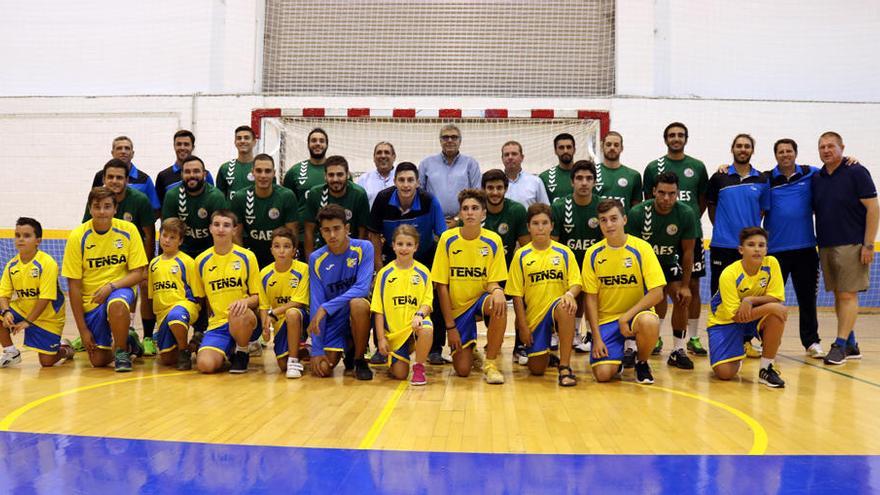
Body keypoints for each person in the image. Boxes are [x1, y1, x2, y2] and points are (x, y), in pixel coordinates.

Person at [367, 162, 447, 364]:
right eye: (401, 180)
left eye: (410, 180)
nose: (406, 184)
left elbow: (443, 237)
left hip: (424, 254)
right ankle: (381, 346)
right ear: (394, 181)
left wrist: (438, 272)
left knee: (434, 298)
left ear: (418, 182)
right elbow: (373, 234)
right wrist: (378, 269)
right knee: (382, 297)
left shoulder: (429, 201)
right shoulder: (383, 199)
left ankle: (435, 348)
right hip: (393, 254)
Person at [62, 187, 148, 372]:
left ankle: (122, 352)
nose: (102, 211)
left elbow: (138, 273)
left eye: (107, 206)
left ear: (115, 208)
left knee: (116, 303)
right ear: (90, 209)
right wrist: (83, 330)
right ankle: (129, 342)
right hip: (91, 301)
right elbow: (74, 287)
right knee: (98, 361)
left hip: (120, 288)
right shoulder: (78, 237)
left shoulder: (128, 230)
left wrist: (111, 286)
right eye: (97, 206)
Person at [642, 122, 709, 357]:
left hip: (690, 235)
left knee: (691, 287)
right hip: (661, 239)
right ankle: (656, 336)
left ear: (686, 138)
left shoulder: (698, 167)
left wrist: (685, 223)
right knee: (658, 287)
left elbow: (703, 199)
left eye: (680, 135)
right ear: (665, 139)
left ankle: (692, 338)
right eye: (672, 135)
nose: (676, 138)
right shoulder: (653, 167)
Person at [812, 131, 879, 366]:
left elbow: (873, 209)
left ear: (842, 147)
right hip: (826, 245)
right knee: (839, 296)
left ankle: (839, 345)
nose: (826, 150)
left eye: (831, 146)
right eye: (822, 147)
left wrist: (868, 244)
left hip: (852, 244)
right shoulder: (817, 177)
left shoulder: (856, 172)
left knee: (847, 295)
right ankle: (851, 343)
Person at [583, 199, 665, 384]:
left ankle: (641, 362)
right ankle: (617, 360)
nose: (609, 224)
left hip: (635, 317)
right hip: (606, 320)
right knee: (603, 375)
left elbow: (657, 292)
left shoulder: (641, 248)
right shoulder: (593, 253)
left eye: (614, 218)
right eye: (603, 220)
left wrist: (625, 317)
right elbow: (591, 300)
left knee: (649, 321)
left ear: (624, 220)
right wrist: (595, 337)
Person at [431, 189, 508, 384]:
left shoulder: (493, 240)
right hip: (457, 310)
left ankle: (490, 364)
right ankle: (470, 349)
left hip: (481, 301)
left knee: (499, 303)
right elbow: (441, 287)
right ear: (460, 213)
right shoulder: (448, 239)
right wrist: (450, 327)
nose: (470, 212)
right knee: (463, 371)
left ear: (483, 213)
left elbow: (493, 281)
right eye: (465, 208)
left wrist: (498, 290)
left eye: (475, 208)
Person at [84, 159, 157, 354]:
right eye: (110, 177)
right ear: (103, 179)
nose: (114, 181)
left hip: (131, 261)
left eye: (119, 177)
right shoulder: (94, 202)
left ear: (127, 180)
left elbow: (149, 234)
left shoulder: (139, 200)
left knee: (142, 284)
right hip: (105, 264)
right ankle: (100, 334)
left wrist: (146, 266)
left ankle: (143, 336)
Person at [707, 134, 770, 358]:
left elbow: (762, 211)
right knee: (720, 293)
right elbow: (712, 209)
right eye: (739, 146)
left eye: (747, 146)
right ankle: (721, 337)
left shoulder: (762, 180)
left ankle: (745, 340)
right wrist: (725, 229)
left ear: (752, 150)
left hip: (750, 248)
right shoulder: (719, 178)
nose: (742, 149)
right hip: (722, 246)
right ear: (732, 148)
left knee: (748, 294)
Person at [626, 172, 697, 369]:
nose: (667, 198)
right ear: (654, 192)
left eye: (672, 194)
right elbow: (631, 250)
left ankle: (678, 350)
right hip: (643, 266)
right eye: (662, 193)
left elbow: (688, 251)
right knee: (636, 299)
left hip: (668, 263)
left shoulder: (686, 213)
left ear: (677, 193)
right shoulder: (638, 213)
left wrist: (685, 285)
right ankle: (631, 348)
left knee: (682, 298)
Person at [506, 203, 582, 386]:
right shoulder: (521, 255)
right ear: (528, 227)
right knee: (537, 370)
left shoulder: (564, 252)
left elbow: (576, 283)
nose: (540, 227)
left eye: (544, 222)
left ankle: (565, 366)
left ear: (552, 226)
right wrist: (522, 326)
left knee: (566, 307)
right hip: (535, 317)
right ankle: (547, 353)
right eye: (535, 223)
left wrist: (570, 294)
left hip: (558, 308)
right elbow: (516, 295)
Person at [762, 139, 823, 358]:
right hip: (775, 252)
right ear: (776, 155)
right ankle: (762, 341)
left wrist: (848, 161)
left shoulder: (810, 174)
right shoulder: (766, 179)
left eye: (789, 151)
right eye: (781, 152)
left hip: (806, 250)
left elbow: (833, 170)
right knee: (769, 299)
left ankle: (811, 342)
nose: (785, 155)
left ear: (795, 153)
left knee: (807, 299)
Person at [706, 227, 787, 388]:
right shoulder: (729, 274)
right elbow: (736, 316)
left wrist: (749, 300)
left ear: (766, 249)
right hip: (725, 321)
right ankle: (738, 349)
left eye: (761, 245)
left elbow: (776, 296)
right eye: (751, 245)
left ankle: (766, 368)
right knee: (725, 374)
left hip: (752, 316)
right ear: (741, 250)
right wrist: (770, 307)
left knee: (777, 314)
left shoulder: (771, 264)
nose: (757, 249)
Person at [308, 204, 374, 380]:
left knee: (358, 303)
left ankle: (359, 359)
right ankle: (348, 346)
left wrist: (326, 307)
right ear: (321, 232)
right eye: (326, 230)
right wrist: (317, 349)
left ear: (347, 228)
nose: (332, 235)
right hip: (334, 318)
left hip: (356, 313)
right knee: (323, 369)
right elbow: (316, 303)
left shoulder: (364, 248)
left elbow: (362, 288)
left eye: (336, 229)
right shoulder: (316, 259)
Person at [192, 210, 261, 374]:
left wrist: (244, 302)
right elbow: (202, 300)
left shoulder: (247, 257)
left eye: (226, 225)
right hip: (218, 324)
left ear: (235, 230)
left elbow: (257, 297)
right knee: (205, 365)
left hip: (245, 319)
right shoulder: (200, 261)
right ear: (210, 228)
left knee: (237, 312)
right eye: (216, 225)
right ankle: (228, 350)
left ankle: (242, 352)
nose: (221, 229)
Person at [0, 217, 72, 368]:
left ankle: (65, 349)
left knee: (46, 363)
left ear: (38, 240)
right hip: (23, 309)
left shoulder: (47, 263)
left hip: (49, 317)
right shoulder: (11, 265)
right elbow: (4, 294)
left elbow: (45, 298)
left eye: (26, 236)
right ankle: (10, 352)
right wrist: (6, 312)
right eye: (17, 235)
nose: (21, 239)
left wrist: (27, 322)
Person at [371, 225, 434, 385]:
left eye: (408, 244)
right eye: (400, 244)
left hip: (415, 327)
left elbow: (427, 303)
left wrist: (419, 315)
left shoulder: (423, 272)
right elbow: (378, 310)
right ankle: (395, 355)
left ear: (416, 247)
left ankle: (419, 367)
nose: (404, 248)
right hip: (395, 334)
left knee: (427, 329)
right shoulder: (384, 274)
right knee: (399, 375)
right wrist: (380, 339)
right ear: (393, 245)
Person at [550, 160, 601, 354]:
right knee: (566, 297)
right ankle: (558, 331)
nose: (584, 183)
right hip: (567, 265)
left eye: (589, 178)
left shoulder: (600, 205)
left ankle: (580, 334)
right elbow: (554, 243)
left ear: (594, 182)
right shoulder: (560, 206)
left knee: (589, 297)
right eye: (579, 178)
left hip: (593, 265)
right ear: (572, 182)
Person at [147, 218, 201, 370]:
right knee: (168, 360)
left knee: (175, 317)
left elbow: (198, 294)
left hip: (183, 306)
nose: (167, 240)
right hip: (162, 315)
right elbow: (152, 296)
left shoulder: (187, 262)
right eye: (164, 235)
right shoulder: (154, 264)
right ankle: (193, 344)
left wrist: (198, 317)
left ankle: (183, 351)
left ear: (180, 241)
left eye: (172, 237)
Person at [258, 227, 310, 379]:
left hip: (302, 318)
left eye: (286, 246)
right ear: (271, 250)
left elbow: (298, 302)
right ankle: (303, 351)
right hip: (280, 322)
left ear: (294, 251)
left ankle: (294, 361)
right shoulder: (265, 274)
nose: (281, 251)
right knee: (281, 365)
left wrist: (273, 313)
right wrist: (265, 328)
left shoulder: (303, 269)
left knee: (292, 313)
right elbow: (264, 305)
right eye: (277, 246)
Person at [230, 154, 299, 267]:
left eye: (267, 171)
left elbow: (292, 233)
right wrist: (245, 260)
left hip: (279, 255)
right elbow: (236, 235)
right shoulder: (240, 197)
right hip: (252, 255)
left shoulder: (287, 196)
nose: (263, 175)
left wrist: (287, 260)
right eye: (259, 171)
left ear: (274, 173)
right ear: (253, 172)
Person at [160, 155, 229, 259]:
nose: (192, 175)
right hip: (180, 254)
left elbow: (222, 232)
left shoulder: (216, 197)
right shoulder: (172, 196)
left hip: (210, 253)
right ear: (182, 175)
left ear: (204, 174)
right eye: (187, 172)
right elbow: (168, 231)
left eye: (196, 171)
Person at [301, 155, 370, 258]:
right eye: (331, 175)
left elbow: (363, 233)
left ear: (347, 175)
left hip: (351, 253)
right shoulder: (315, 194)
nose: (335, 179)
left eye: (340, 174)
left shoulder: (358, 194)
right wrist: (310, 262)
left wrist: (358, 258)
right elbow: (309, 231)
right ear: (325, 176)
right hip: (324, 251)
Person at [418, 124, 481, 228]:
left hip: (463, 223)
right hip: (432, 224)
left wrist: (458, 219)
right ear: (440, 141)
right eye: (445, 137)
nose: (450, 140)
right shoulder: (426, 164)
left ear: (460, 141)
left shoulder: (471, 164)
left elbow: (477, 196)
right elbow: (420, 195)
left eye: (454, 137)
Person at [90, 136, 161, 212]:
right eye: (119, 148)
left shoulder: (145, 179)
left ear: (132, 153)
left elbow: (155, 209)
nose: (123, 151)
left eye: (127, 148)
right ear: (112, 153)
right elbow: (94, 202)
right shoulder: (100, 176)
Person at [155, 130, 216, 206]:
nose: (182, 148)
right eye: (179, 144)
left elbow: (212, 200)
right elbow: (160, 207)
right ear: (174, 146)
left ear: (193, 147)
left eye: (186, 144)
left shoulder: (205, 175)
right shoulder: (163, 176)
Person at [282, 128, 330, 209]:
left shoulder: (337, 171)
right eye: (314, 140)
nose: (318, 143)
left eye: (322, 141)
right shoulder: (294, 171)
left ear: (327, 145)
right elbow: (286, 202)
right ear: (308, 144)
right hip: (303, 221)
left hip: (331, 220)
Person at [595, 131, 642, 207]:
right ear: (602, 147)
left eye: (616, 145)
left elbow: (636, 208)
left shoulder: (634, 175)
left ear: (622, 148)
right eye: (608, 144)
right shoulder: (592, 173)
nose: (612, 148)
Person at [501, 141, 549, 207]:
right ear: (502, 159)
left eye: (514, 154)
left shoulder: (536, 182)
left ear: (522, 157)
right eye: (506, 154)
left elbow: (545, 209)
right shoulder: (496, 184)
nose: (510, 157)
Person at [216, 125, 257, 199]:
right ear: (235, 142)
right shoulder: (225, 168)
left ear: (254, 142)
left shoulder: (262, 169)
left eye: (246, 138)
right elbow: (220, 198)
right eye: (239, 138)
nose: (242, 141)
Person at [539, 133, 577, 203]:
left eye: (569, 147)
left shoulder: (585, 176)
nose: (565, 151)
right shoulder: (544, 177)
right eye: (561, 147)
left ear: (574, 150)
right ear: (555, 151)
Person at [357, 141, 397, 207]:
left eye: (387, 152)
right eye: (379, 153)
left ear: (394, 157)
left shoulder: (402, 179)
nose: (383, 156)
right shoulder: (363, 180)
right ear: (374, 158)